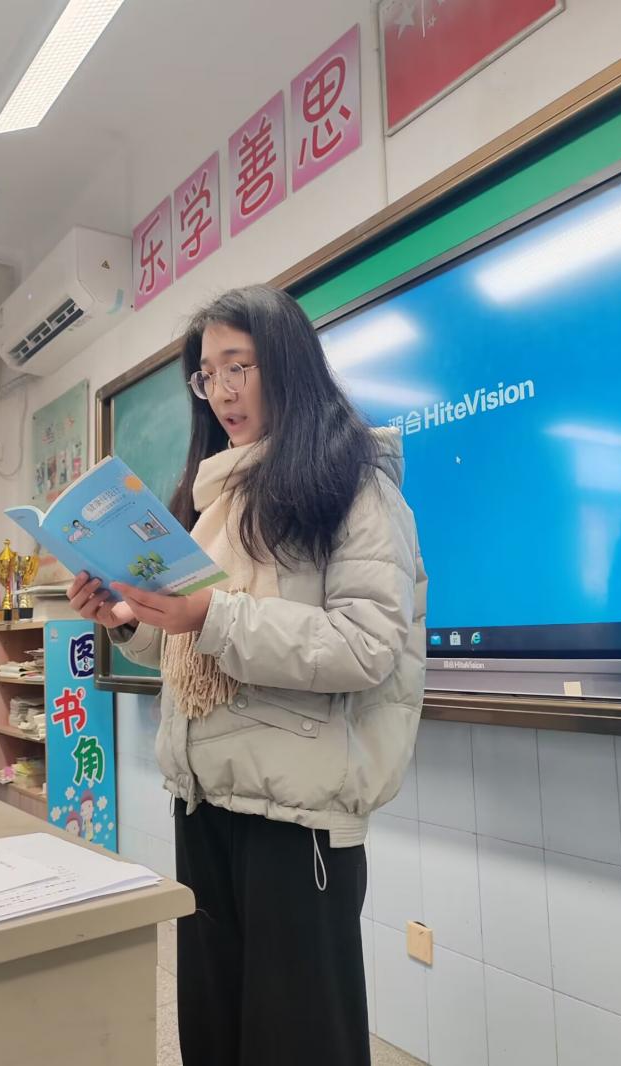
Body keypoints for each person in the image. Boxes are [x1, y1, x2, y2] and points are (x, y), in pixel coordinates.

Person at [67, 285, 427, 1066]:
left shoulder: (352, 486)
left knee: (297, 1041)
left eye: (240, 366)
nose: (223, 391)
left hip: (296, 820)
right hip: (204, 801)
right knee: (215, 1029)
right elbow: (190, 647)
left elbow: (366, 645)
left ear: (286, 365)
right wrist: (125, 618)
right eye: (208, 375)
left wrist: (211, 617)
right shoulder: (213, 500)